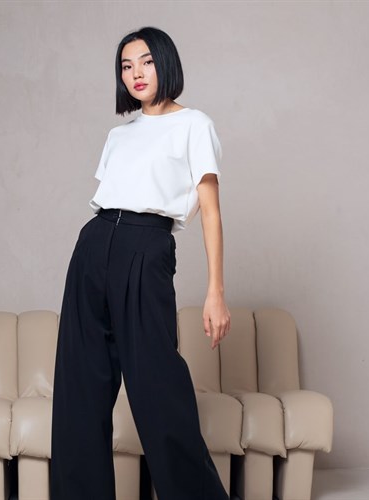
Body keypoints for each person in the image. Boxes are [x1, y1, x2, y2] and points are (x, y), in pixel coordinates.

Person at [51, 26, 231, 500]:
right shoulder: (119, 134)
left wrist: (215, 291)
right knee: (79, 390)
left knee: (158, 388)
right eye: (126, 66)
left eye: (146, 61)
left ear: (165, 62)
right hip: (93, 246)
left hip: (146, 248)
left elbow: (210, 211)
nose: (136, 73)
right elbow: (110, 200)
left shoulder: (194, 125)